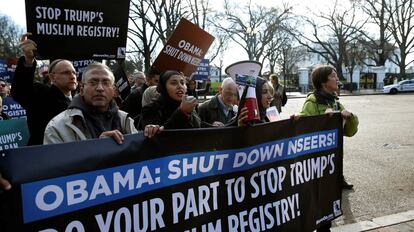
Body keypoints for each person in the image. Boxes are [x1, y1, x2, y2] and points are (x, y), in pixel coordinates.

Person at [298, 64, 358, 232]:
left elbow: (350, 132)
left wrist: (350, 116)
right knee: (317, 202)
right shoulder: (312, 102)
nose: (337, 78)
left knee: (328, 202)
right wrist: (322, 119)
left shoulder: (335, 102)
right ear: (323, 81)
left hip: (330, 163)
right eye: (333, 76)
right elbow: (304, 129)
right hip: (315, 165)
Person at [44, 62, 137, 144]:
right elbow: (55, 163)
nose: (100, 88)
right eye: (93, 82)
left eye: (106, 83)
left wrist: (149, 136)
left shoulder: (126, 121)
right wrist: (96, 149)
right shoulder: (57, 127)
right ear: (81, 90)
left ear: (113, 91)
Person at [11, 33, 78, 145]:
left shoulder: (79, 100)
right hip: (43, 156)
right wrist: (28, 60)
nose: (72, 76)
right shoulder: (42, 94)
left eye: (74, 72)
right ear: (52, 77)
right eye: (66, 72)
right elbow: (20, 91)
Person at [141, 70, 201, 137]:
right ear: (164, 88)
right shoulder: (151, 109)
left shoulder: (187, 106)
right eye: (174, 83)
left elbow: (199, 126)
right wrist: (182, 112)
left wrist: (213, 126)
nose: (180, 86)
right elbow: (158, 138)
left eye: (182, 83)